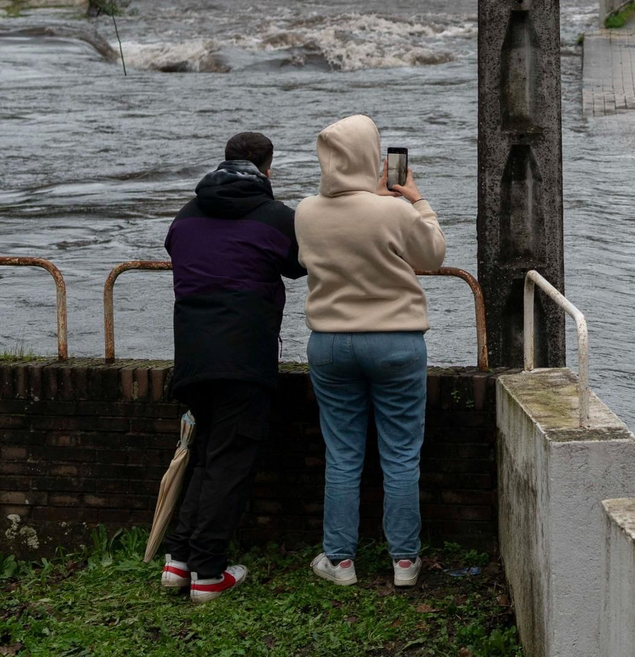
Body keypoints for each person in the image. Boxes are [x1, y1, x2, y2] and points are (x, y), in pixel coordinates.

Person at [296, 115, 445, 589]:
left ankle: (339, 561)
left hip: (330, 343)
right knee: (401, 454)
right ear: (370, 157)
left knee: (342, 453)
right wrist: (415, 199)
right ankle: (404, 561)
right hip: (395, 340)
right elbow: (433, 255)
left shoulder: (305, 211)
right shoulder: (393, 211)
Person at [161, 132, 305, 604]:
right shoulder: (275, 216)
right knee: (229, 463)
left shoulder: (187, 214)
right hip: (244, 356)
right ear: (268, 168)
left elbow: (175, 248)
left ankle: (178, 559)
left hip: (193, 355)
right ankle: (207, 572)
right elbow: (298, 265)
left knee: (205, 455)